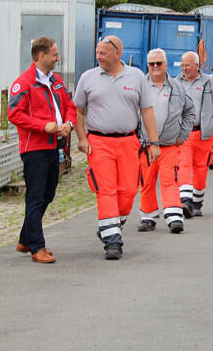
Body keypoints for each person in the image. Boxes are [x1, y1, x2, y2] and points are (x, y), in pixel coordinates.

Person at [73, 35, 160, 260]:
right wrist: (82, 138)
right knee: (107, 190)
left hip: (129, 142)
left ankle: (109, 226)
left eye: (103, 53)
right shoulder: (88, 78)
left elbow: (147, 111)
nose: (98, 56)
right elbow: (78, 110)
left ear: (118, 54)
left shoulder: (137, 76)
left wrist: (154, 142)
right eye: (97, 52)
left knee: (129, 191)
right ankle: (113, 241)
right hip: (99, 143)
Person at [8, 36, 76, 264]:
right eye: (55, 54)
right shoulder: (24, 82)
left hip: (54, 145)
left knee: (48, 193)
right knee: (36, 196)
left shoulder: (55, 80)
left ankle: (26, 239)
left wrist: (69, 123)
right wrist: (41, 126)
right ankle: (37, 247)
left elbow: (69, 104)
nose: (58, 58)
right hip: (34, 147)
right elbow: (14, 114)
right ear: (41, 56)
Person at [137, 49, 195, 234]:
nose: (155, 67)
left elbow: (189, 112)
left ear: (166, 65)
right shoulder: (140, 86)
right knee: (146, 181)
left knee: (170, 180)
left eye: (159, 63)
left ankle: (174, 216)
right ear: (147, 66)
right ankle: (148, 216)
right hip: (146, 145)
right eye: (152, 64)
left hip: (170, 144)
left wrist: (182, 135)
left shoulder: (177, 87)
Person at [175, 50, 213, 217]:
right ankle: (185, 201)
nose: (184, 68)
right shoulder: (176, 83)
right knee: (184, 165)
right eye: (182, 65)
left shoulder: (210, 83)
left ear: (197, 65)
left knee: (201, 169)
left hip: (204, 134)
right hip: (184, 134)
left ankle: (197, 202)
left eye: (187, 65)